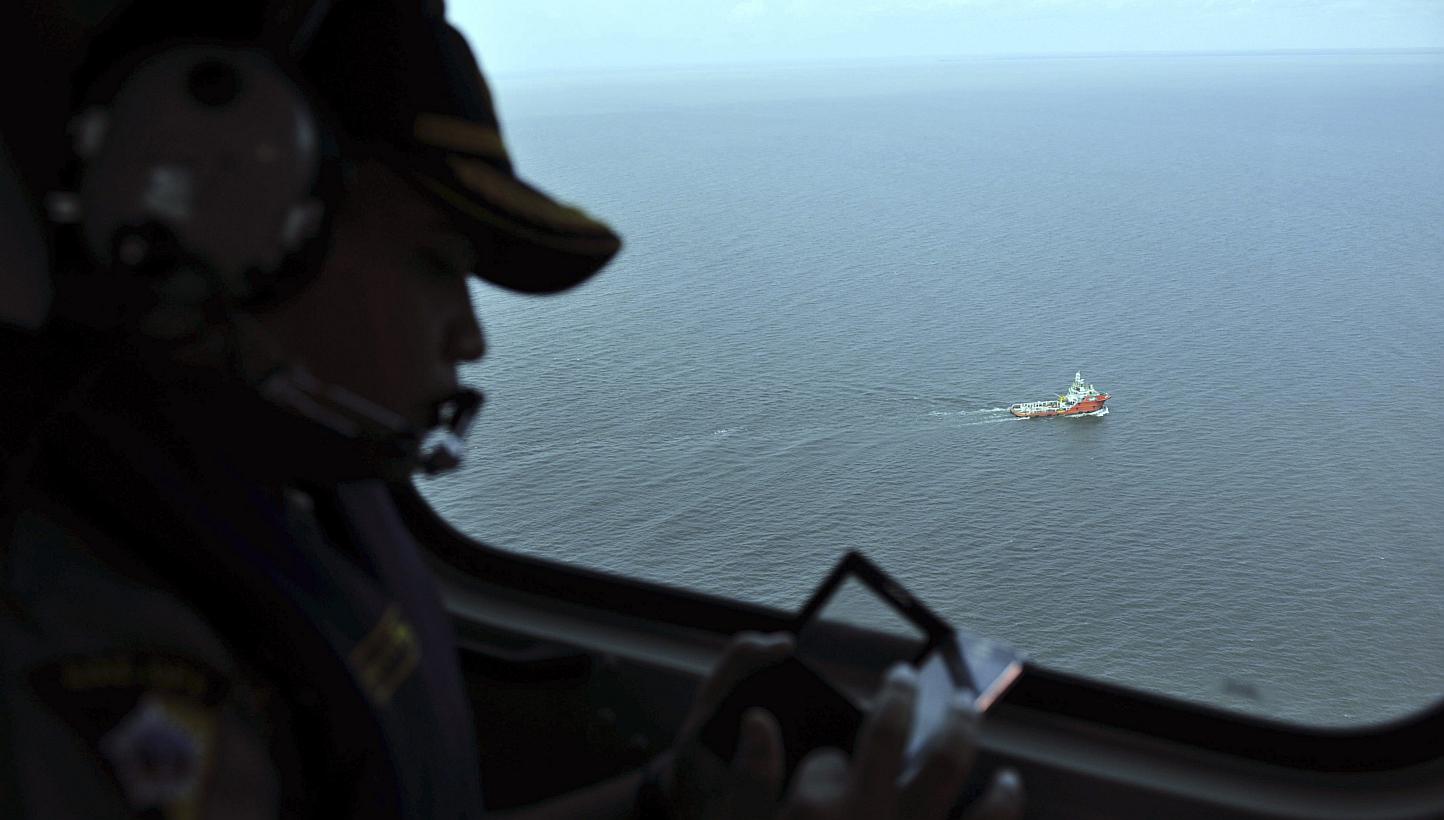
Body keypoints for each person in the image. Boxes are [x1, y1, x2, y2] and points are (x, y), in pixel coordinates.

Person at [0, 1, 1025, 817]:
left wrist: (669, 797)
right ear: (240, 227)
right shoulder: (81, 652)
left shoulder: (313, 493)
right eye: (440, 265)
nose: (471, 335)